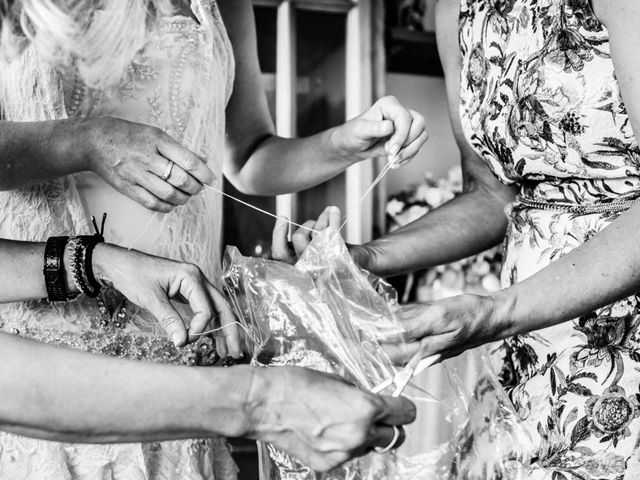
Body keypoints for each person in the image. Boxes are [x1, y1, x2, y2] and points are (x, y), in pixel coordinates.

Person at [0, 0, 426, 477]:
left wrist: (343, 143)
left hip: (190, 354)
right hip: (43, 362)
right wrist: (85, 141)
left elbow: (246, 155)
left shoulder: (227, 5)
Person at [274, 0, 640, 477]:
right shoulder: (455, 9)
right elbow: (491, 196)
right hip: (532, 341)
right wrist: (363, 258)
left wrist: (495, 312)